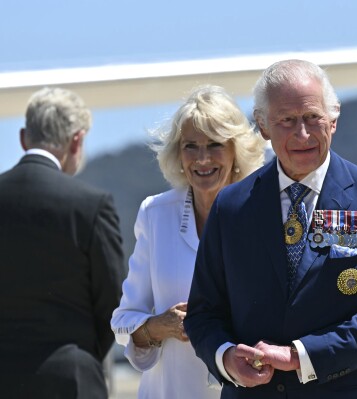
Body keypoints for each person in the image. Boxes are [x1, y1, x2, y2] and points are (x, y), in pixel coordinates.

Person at [184, 59, 357, 399]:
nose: (303, 134)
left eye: (312, 118)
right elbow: (203, 313)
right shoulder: (231, 207)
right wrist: (226, 358)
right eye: (287, 121)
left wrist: (299, 356)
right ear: (263, 127)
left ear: (333, 120)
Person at [110, 84, 264, 398]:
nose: (202, 158)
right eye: (191, 146)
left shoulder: (265, 214)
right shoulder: (154, 214)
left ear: (236, 150)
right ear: (178, 154)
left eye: (215, 144)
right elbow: (122, 321)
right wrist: (157, 326)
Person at [0, 87, 126, 398]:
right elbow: (112, 298)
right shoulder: (91, 205)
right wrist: (81, 357)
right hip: (72, 378)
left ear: (23, 138)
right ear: (76, 141)